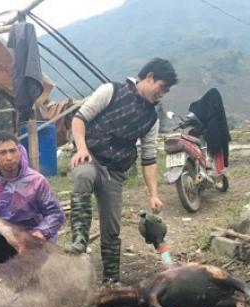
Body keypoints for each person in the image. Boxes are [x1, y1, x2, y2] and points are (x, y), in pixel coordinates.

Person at [68, 57, 178, 283]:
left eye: (166, 90)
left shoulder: (151, 119)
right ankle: (79, 239)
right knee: (83, 175)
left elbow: (148, 158)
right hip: (91, 158)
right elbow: (79, 118)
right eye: (162, 87)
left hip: (115, 172)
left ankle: (111, 279)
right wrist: (81, 148)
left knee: (112, 226)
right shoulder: (111, 91)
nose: (162, 93)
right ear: (149, 77)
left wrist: (154, 194)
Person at [0, 130, 65, 270]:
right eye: (3, 153)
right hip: (2, 242)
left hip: (32, 242)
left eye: (12, 151)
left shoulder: (36, 181)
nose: (9, 157)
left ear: (19, 151)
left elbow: (55, 213)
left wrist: (41, 232)